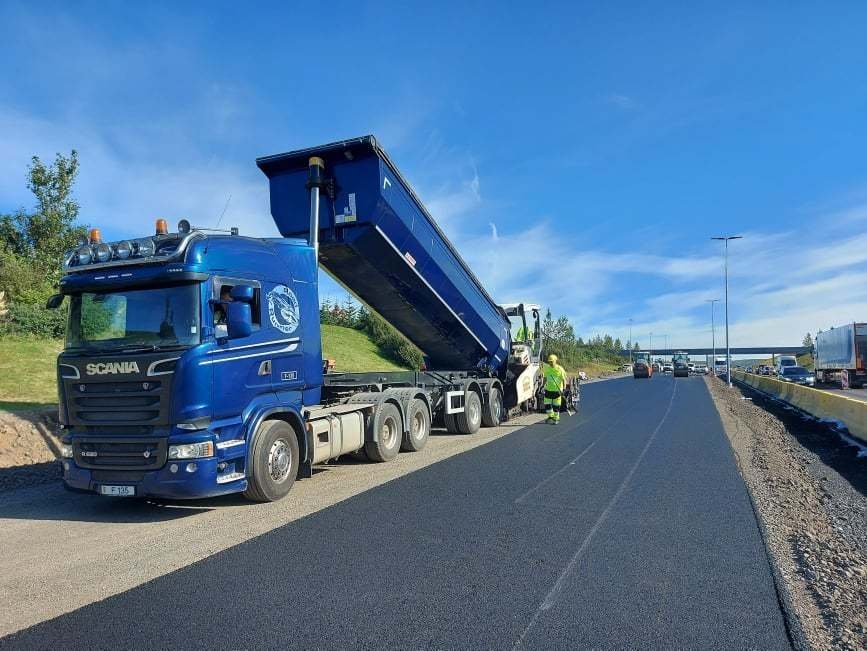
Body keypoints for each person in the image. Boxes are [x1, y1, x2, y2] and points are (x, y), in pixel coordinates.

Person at [542, 353, 568, 424]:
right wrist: (543, 386)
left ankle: (556, 419)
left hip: (557, 391)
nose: (550, 363)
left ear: (555, 361)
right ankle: (550, 416)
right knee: (547, 404)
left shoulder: (560, 369)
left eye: (551, 361)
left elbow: (564, 380)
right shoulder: (547, 369)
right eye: (549, 361)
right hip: (548, 390)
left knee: (556, 406)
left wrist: (564, 389)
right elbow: (545, 378)